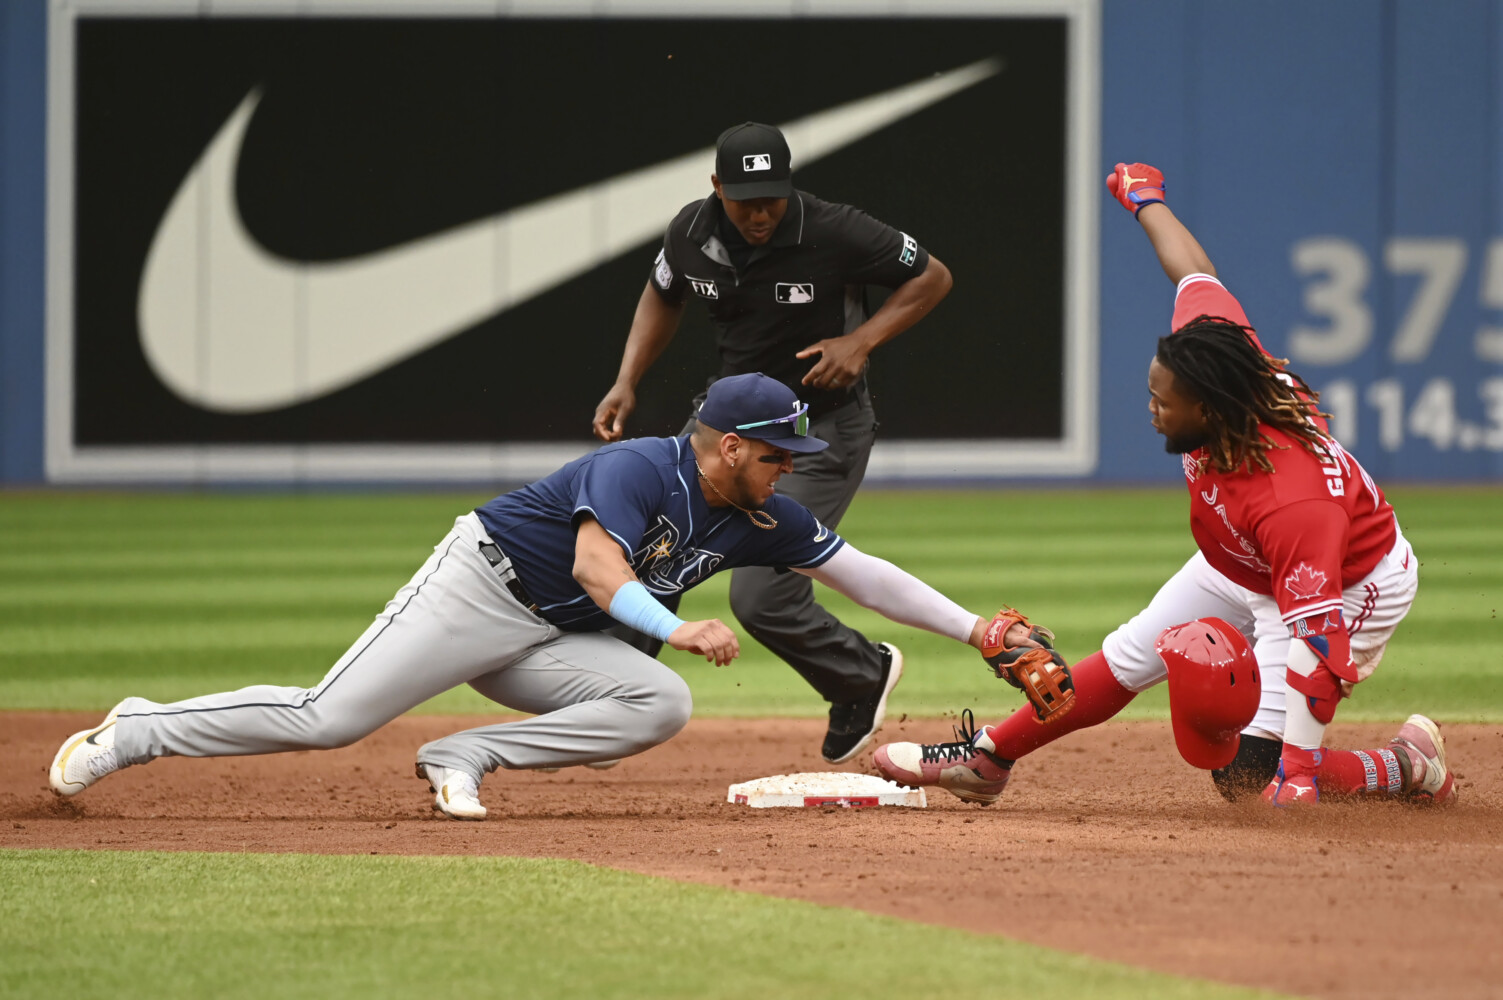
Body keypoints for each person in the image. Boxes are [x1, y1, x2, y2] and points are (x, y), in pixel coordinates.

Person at [50, 374, 1047, 821]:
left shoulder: (758, 509)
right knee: (329, 718)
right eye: (781, 452)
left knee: (658, 702)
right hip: (481, 589)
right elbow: (598, 573)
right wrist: (679, 626)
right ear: (731, 445)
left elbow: (859, 573)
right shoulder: (638, 471)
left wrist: (977, 629)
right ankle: (141, 730)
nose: (791, 469)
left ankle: (463, 754)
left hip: (553, 638)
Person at [874, 162, 1456, 808]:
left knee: (1249, 782)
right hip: (1244, 560)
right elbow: (1193, 272)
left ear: (1208, 411)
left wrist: (1294, 773)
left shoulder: (1291, 500)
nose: (1150, 405)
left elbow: (1320, 649)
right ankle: (987, 760)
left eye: (1162, 400)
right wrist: (1144, 199)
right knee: (1127, 655)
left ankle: (1406, 766)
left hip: (1345, 583)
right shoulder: (1213, 355)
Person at [592, 122, 954, 765]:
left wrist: (861, 341)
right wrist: (626, 381)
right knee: (643, 551)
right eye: (744, 200)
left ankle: (859, 675)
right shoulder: (690, 231)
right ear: (715, 188)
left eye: (771, 197)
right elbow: (663, 294)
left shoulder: (834, 229)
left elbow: (933, 278)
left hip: (818, 430)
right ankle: (618, 702)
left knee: (761, 594)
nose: (760, 213)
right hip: (723, 427)